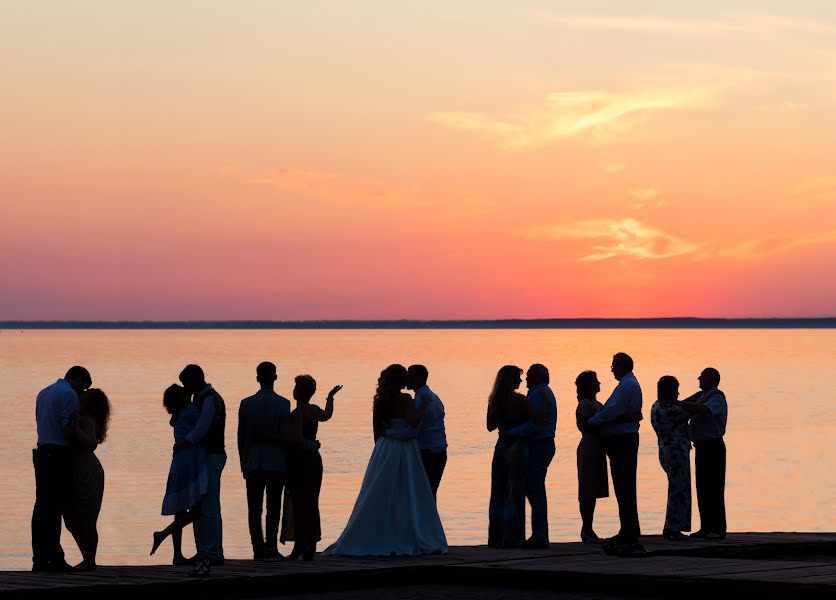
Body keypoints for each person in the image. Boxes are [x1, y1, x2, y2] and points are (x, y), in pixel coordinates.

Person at [322, 364, 446, 556]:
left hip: (384, 448)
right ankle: (406, 534)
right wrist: (422, 406)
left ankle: (378, 532)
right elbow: (413, 421)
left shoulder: (379, 402)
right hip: (405, 451)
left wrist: (381, 451)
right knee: (407, 493)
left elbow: (376, 433)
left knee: (381, 491)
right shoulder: (406, 399)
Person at [32, 366, 92, 573]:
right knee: (55, 508)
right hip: (58, 454)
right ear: (78, 378)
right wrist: (80, 437)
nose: (81, 393)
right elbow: (67, 430)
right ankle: (56, 559)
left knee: (41, 508)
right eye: (83, 387)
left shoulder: (44, 392)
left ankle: (39, 559)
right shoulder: (69, 395)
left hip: (42, 451)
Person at [586, 353, 643, 552]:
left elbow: (613, 411)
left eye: (613, 366)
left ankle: (629, 531)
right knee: (624, 486)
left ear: (622, 366)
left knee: (624, 485)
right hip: (623, 439)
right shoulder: (628, 384)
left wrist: (592, 421)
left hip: (622, 441)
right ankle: (629, 528)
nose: (611, 369)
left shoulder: (627, 385)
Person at [281, 375, 341, 560]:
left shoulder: (296, 413)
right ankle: (310, 546)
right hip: (315, 460)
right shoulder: (314, 410)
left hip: (300, 461)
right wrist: (330, 397)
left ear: (297, 392)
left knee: (299, 503)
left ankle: (299, 546)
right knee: (312, 502)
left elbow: (297, 440)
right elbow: (327, 415)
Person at [237, 362, 292, 561]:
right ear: (275, 378)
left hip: (253, 462)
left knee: (254, 508)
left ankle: (258, 550)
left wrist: (243, 461)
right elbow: (286, 436)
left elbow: (241, 437)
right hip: (277, 463)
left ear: (258, 378)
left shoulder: (246, 403)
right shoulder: (284, 404)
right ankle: (270, 547)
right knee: (273, 507)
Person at [151, 385, 207, 569]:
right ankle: (162, 534)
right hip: (189, 461)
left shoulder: (178, 415)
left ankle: (177, 555)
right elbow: (203, 428)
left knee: (180, 510)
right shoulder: (191, 411)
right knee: (197, 510)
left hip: (179, 461)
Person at [176, 364, 226, 570]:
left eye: (186, 384)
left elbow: (202, 428)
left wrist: (183, 443)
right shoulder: (204, 398)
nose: (185, 388)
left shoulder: (209, 400)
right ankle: (204, 549)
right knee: (200, 505)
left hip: (211, 455)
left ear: (195, 381)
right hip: (204, 456)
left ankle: (213, 551)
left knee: (210, 505)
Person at [505, 364, 557, 549]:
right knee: (534, 488)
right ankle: (539, 533)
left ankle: (540, 535)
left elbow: (535, 423)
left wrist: (513, 432)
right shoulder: (542, 391)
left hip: (540, 444)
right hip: (542, 443)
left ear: (537, 377)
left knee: (534, 488)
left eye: (528, 376)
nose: (525, 379)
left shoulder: (538, 393)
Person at [63, 388, 111, 571]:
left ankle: (89, 560)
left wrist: (75, 429)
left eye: (86, 393)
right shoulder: (79, 416)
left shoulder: (88, 420)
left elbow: (91, 444)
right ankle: (87, 558)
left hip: (86, 471)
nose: (81, 393)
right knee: (70, 518)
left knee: (87, 517)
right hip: (76, 469)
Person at [680, 368, 728, 540]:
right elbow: (690, 403)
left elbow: (705, 410)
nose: (699, 378)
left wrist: (682, 405)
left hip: (713, 447)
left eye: (703, 375)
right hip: (702, 447)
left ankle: (717, 529)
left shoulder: (716, 398)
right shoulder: (702, 395)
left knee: (714, 487)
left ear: (713, 379)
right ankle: (706, 527)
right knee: (702, 487)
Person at [486, 365, 530, 548]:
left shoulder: (494, 400)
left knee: (497, 493)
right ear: (511, 380)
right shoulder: (521, 400)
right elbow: (529, 425)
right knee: (515, 493)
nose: (521, 381)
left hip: (500, 447)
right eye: (518, 378)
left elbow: (490, 426)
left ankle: (495, 538)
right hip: (517, 447)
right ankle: (513, 538)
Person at [650, 376, 692, 540]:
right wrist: (708, 395)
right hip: (676, 453)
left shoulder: (657, 406)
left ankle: (674, 527)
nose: (678, 393)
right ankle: (672, 528)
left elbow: (683, 404)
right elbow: (695, 408)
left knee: (677, 488)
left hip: (665, 451)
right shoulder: (672, 409)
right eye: (676, 389)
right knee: (677, 490)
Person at [574, 371, 608, 543]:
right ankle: (586, 528)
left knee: (593, 489)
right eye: (596, 381)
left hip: (597, 448)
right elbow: (586, 425)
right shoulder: (586, 405)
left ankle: (589, 528)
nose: (599, 383)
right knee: (587, 489)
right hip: (589, 448)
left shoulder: (597, 403)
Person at [407, 365, 447, 500]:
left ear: (419, 378)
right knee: (430, 494)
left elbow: (413, 430)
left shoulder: (420, 400)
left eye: (410, 375)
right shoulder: (434, 396)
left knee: (424, 495)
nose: (407, 378)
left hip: (428, 453)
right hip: (439, 451)